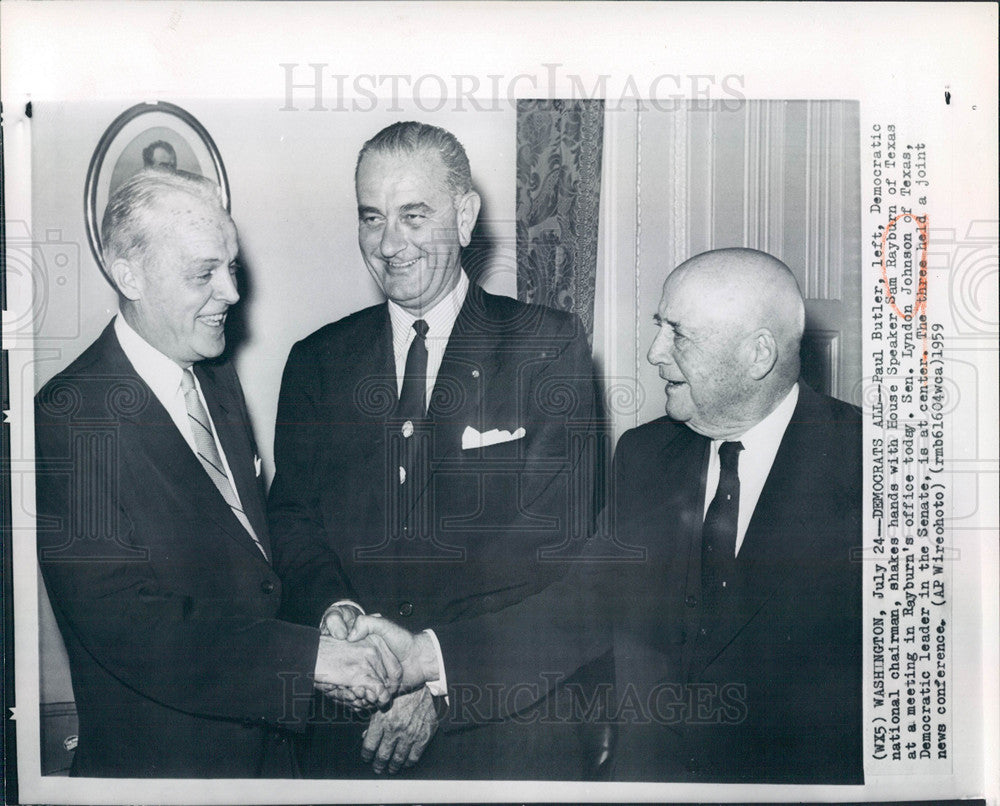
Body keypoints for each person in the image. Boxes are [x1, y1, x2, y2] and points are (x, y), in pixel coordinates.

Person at [389, 246, 864, 783]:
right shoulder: (644, 457)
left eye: (678, 334)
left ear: (758, 355)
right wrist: (425, 658)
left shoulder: (872, 467)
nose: (654, 354)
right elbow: (578, 611)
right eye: (659, 327)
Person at [35, 169, 401, 777]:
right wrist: (309, 658)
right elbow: (133, 628)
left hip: (272, 761)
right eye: (203, 274)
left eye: (230, 267)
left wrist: (322, 610)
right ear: (128, 274)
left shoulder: (214, 376)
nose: (231, 292)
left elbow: (251, 556)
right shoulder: (70, 419)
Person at [268, 121, 606, 779]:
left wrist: (431, 675)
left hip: (501, 733)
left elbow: (552, 554)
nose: (389, 244)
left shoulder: (547, 347)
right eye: (372, 218)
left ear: (465, 215)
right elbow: (293, 525)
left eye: (413, 216)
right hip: (351, 732)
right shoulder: (316, 361)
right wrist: (335, 612)